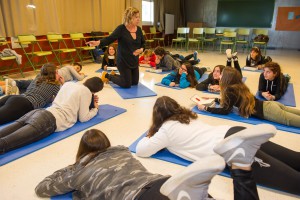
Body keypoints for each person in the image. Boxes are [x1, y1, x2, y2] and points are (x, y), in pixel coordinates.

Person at [35, 128, 264, 200]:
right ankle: (241, 166)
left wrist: (75, 165)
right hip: (163, 183)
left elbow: (43, 188)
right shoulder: (123, 152)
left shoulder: (79, 174)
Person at [137, 96, 300, 196]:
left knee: (295, 182)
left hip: (233, 149)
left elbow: (141, 150)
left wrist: (150, 133)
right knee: (294, 158)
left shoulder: (166, 130)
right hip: (235, 132)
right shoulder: (188, 116)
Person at [0, 77, 103, 154]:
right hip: (48, 120)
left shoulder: (69, 84)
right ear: (95, 90)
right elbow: (83, 118)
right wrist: (95, 109)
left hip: (38, 112)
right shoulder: (86, 92)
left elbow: (71, 100)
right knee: (4, 144)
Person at [197, 67, 300, 128]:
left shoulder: (229, 90)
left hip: (269, 111)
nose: (220, 76)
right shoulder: (237, 86)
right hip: (269, 105)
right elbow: (230, 102)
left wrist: (205, 108)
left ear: (227, 78)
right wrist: (214, 99)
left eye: (222, 74)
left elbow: (225, 110)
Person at [87, 7, 145, 88]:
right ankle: (107, 76)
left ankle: (115, 75)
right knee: (126, 84)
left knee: (134, 82)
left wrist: (141, 49)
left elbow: (143, 43)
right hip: (123, 61)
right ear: (129, 18)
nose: (139, 19)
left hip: (134, 61)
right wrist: (98, 42)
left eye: (139, 17)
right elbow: (109, 39)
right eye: (136, 17)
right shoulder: (121, 29)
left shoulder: (138, 30)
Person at [0, 62, 84, 95]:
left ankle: (2, 88)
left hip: (49, 80)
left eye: (78, 70)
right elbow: (80, 78)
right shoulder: (69, 67)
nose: (76, 70)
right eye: (76, 67)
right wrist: (82, 74)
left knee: (19, 87)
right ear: (73, 65)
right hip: (49, 77)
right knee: (19, 84)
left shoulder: (71, 75)